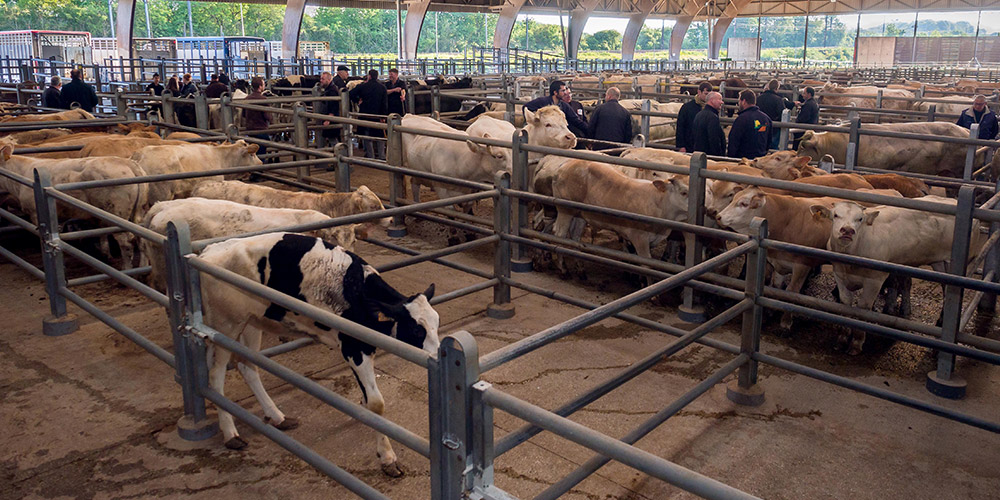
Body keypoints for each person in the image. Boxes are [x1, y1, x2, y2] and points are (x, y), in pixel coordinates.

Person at [524, 80, 589, 138]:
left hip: (557, 135)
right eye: (563, 91)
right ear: (555, 92)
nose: (565, 93)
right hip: (544, 136)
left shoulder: (564, 105)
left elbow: (575, 120)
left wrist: (589, 130)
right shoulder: (542, 102)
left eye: (565, 90)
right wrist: (536, 121)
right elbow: (526, 107)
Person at [350, 69, 388, 159]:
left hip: (365, 114)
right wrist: (384, 116)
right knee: (379, 136)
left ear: (369, 76)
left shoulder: (363, 86)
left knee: (367, 135)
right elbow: (384, 103)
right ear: (377, 76)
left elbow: (351, 93)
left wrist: (357, 100)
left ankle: (370, 156)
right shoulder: (382, 87)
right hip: (378, 115)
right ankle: (382, 156)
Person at [727, 89, 772, 160]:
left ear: (744, 101)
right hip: (759, 159)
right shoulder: (766, 118)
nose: (738, 103)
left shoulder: (741, 119)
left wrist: (731, 158)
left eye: (739, 101)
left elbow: (734, 141)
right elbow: (769, 140)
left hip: (743, 160)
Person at [757, 79, 794, 150]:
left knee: (760, 142)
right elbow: (782, 113)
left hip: (760, 124)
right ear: (777, 88)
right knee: (773, 145)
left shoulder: (759, 98)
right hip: (774, 126)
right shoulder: (778, 99)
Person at [676, 82, 712, 153]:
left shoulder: (711, 108)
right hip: (690, 144)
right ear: (699, 92)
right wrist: (681, 146)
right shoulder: (687, 108)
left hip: (705, 146)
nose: (708, 97)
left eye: (710, 95)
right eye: (706, 94)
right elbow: (680, 127)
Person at [243, 76, 271, 162]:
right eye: (263, 84)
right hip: (261, 129)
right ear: (260, 86)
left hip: (250, 130)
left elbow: (243, 114)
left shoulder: (247, 99)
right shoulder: (263, 99)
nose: (264, 86)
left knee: (253, 152)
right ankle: (259, 170)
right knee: (261, 152)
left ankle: (254, 171)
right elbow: (267, 116)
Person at [691, 91, 726, 157]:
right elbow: (714, 140)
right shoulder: (712, 117)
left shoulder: (699, 114)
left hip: (699, 155)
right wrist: (719, 156)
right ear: (712, 100)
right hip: (710, 157)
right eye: (719, 99)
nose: (722, 102)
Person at [317, 70, 341, 144]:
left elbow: (334, 105)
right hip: (329, 117)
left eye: (323, 79)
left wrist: (329, 118)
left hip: (331, 118)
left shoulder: (332, 91)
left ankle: (339, 153)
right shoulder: (329, 89)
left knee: (332, 138)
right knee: (331, 138)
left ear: (329, 79)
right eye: (321, 79)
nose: (321, 81)